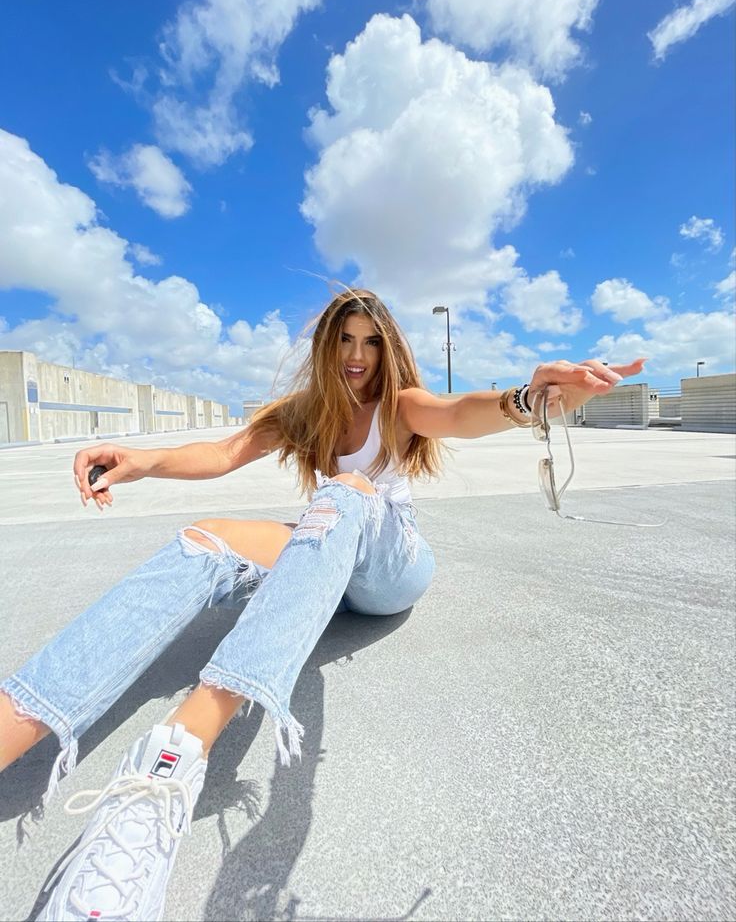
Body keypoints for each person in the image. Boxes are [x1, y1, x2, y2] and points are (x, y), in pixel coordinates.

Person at [0, 288, 644, 921]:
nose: (357, 355)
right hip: (325, 551)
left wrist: (532, 399)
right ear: (325, 347)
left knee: (346, 490)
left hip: (393, 567)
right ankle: (17, 719)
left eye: (370, 342)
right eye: (344, 340)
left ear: (387, 350)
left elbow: (459, 411)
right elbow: (225, 452)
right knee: (204, 541)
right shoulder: (302, 413)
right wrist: (143, 461)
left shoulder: (399, 404)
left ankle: (171, 761)